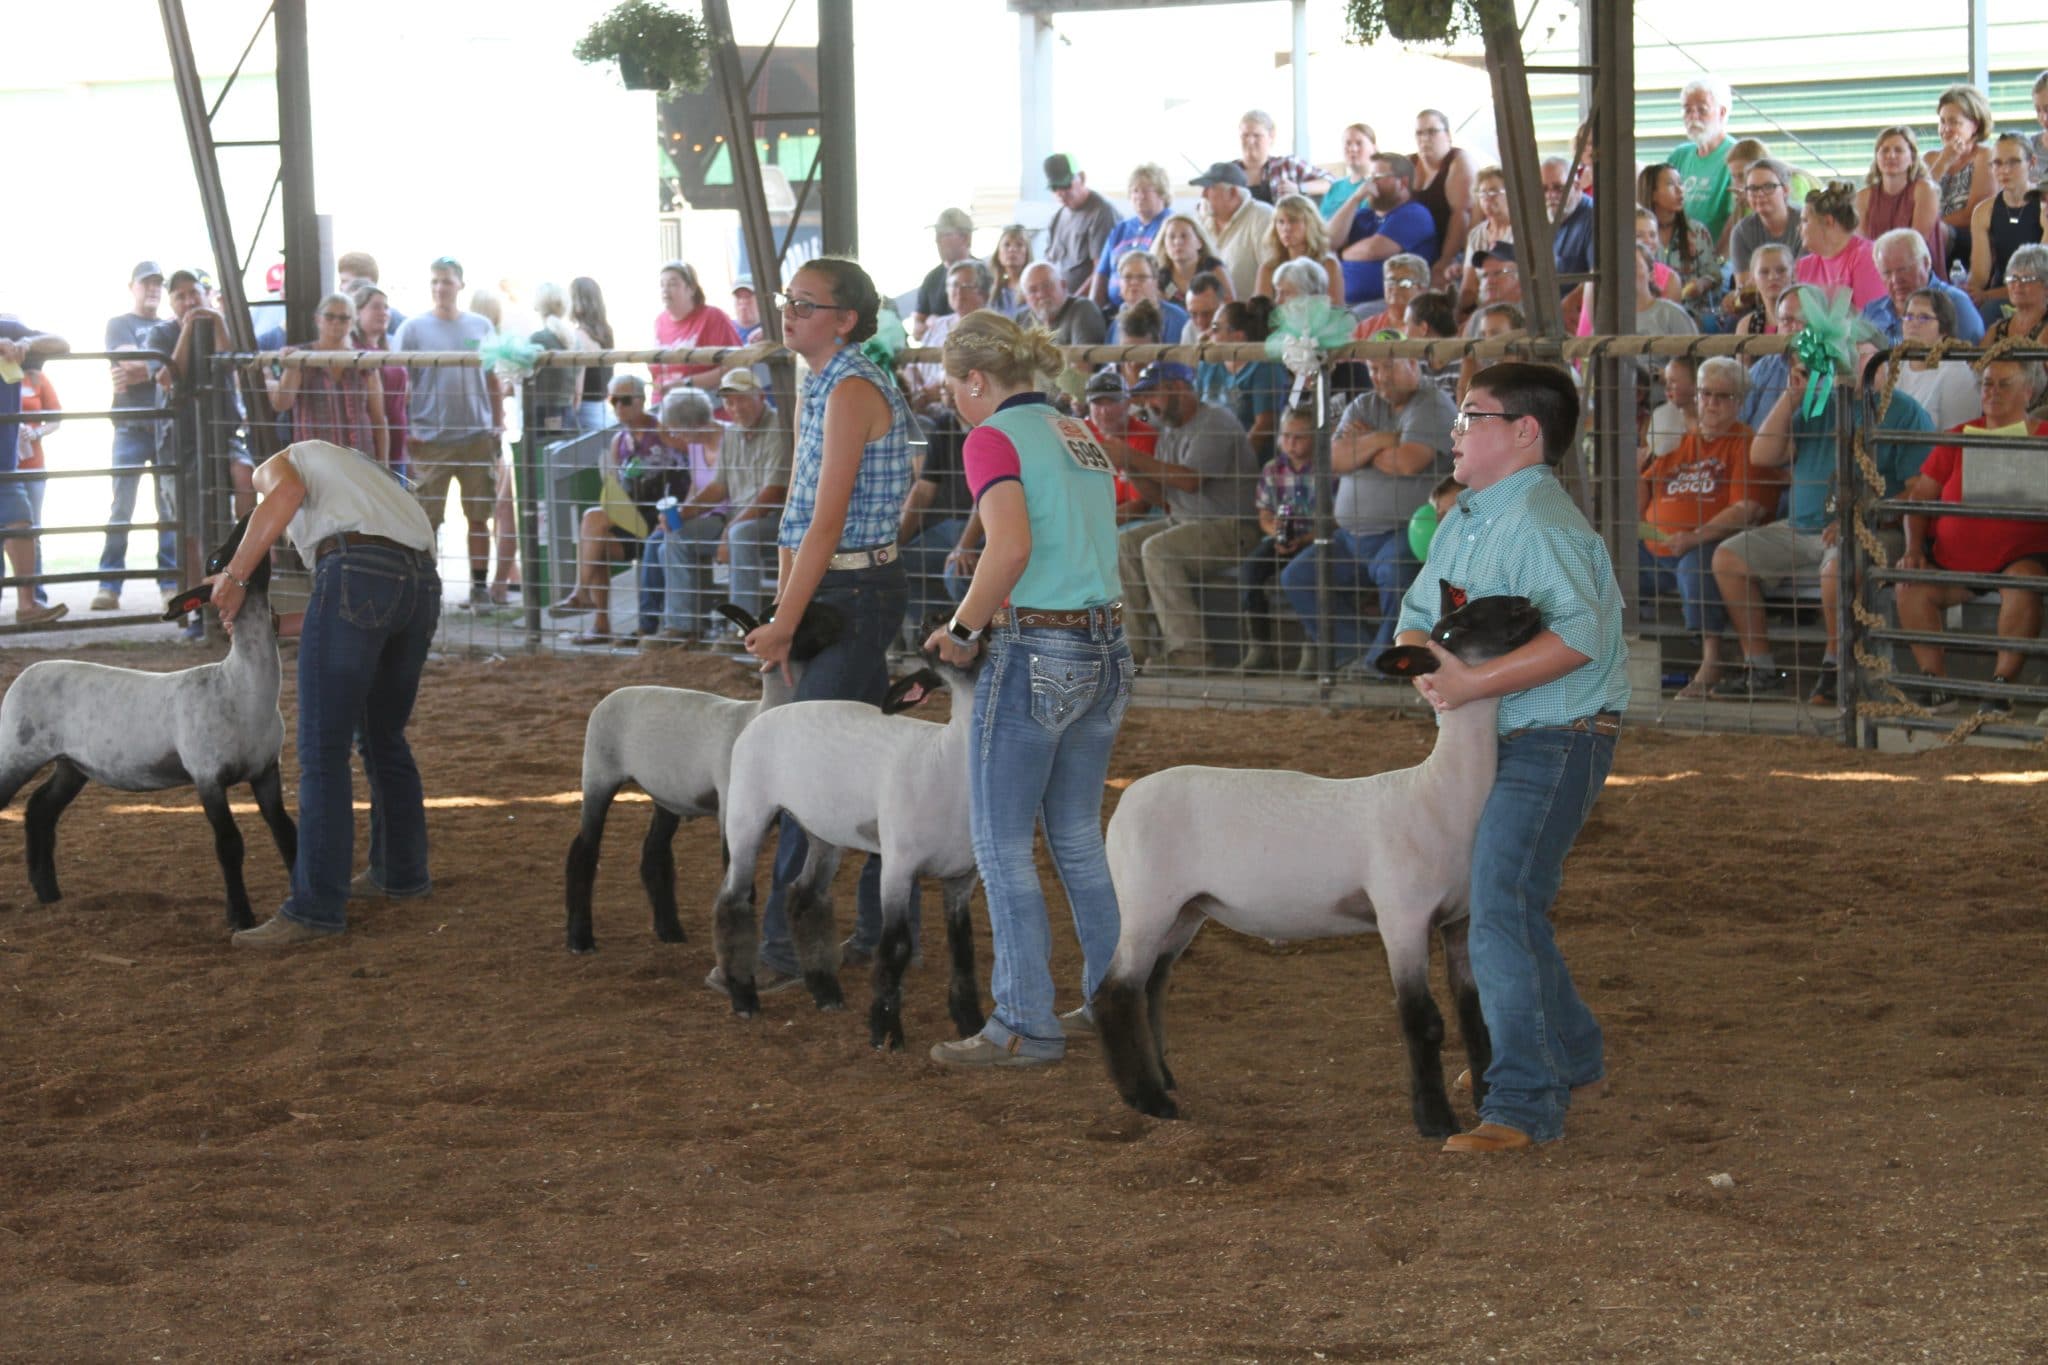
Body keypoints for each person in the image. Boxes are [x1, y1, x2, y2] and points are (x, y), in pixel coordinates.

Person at [1396, 362, 1630, 1154]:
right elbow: (1416, 614)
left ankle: (1523, 1105)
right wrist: (1427, 665)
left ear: (1524, 431)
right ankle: (1571, 1057)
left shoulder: (1540, 520)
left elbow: (1580, 639)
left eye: (1470, 416)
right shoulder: (1469, 515)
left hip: (1559, 733)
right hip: (1506, 736)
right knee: (1507, 898)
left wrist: (1465, 681)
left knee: (1498, 898)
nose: (1454, 430)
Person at [923, 310, 1130, 1069]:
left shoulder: (990, 438)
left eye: (953, 386)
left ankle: (1022, 1022)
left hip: (1036, 645)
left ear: (976, 379)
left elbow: (1011, 544)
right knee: (1076, 835)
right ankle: (1115, 998)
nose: (954, 401)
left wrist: (964, 629)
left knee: (1001, 842)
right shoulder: (1076, 431)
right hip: (1105, 644)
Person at [728, 257, 917, 985]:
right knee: (858, 765)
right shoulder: (827, 383)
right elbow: (799, 515)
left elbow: (825, 519)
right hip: (842, 594)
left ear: (845, 319)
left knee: (811, 771)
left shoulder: (849, 388)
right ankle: (880, 928)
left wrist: (785, 622)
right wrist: (786, 619)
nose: (791, 313)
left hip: (855, 591)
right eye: (788, 300)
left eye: (807, 304)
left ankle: (780, 950)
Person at [210, 439, 438, 946]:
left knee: (322, 750)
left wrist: (234, 576)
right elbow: (360, 603)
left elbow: (285, 494)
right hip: (421, 584)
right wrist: (267, 622)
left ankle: (315, 908)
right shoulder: (361, 476)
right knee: (384, 738)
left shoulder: (278, 464)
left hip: (359, 574)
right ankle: (401, 873)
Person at [1710, 286, 1936, 699]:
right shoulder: (1820, 403)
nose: (1857, 361)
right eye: (1853, 352)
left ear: (1885, 361)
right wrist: (1791, 398)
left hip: (1867, 530)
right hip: (1799, 527)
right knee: (1728, 557)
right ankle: (1759, 666)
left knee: (1835, 567)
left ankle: (1835, 666)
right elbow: (1763, 454)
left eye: (1866, 353)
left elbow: (1918, 490)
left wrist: (1858, 516)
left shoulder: (1904, 411)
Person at [1282, 355, 1455, 670]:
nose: (1380, 376)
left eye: (1389, 366)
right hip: (1350, 537)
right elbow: (1331, 460)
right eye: (1374, 368)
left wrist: (1360, 446)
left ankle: (1381, 664)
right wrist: (1382, 439)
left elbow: (1407, 462)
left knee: (1398, 574)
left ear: (1414, 365)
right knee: (1298, 576)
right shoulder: (1363, 404)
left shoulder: (1433, 404)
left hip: (1402, 533)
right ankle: (1358, 653)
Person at [1894, 360, 2048, 716]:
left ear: (2029, 391)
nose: (1992, 392)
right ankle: (1936, 683)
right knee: (1909, 583)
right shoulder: (1957, 435)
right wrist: (1913, 548)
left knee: (2025, 583)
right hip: (1953, 559)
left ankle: (2001, 686)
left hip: (2020, 558)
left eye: (2004, 385)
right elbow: (1919, 498)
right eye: (1987, 384)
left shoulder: (2043, 438)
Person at [1638, 357, 1779, 697]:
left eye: (1723, 396)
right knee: (1606, 562)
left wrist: (1694, 536)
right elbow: (1644, 484)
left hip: (1707, 543)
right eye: (1705, 394)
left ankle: (1711, 659)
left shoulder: (1745, 443)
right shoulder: (1678, 441)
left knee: (1698, 566)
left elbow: (1746, 508)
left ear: (1741, 402)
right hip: (1658, 546)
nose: (1712, 403)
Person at [1115, 361, 1257, 670]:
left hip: (1232, 528)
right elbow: (1162, 498)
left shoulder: (1215, 420)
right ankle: (1130, 650)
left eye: (1155, 394)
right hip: (1184, 522)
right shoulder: (1169, 430)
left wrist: (1131, 456)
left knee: (1158, 550)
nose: (1150, 404)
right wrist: (1132, 467)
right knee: (1123, 543)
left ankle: (1190, 651)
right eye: (1147, 396)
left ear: (1179, 387)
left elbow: (1190, 480)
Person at [396, 256, 503, 607]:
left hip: (475, 436)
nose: (440, 287)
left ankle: (479, 587)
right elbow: (400, 382)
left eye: (447, 280)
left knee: (478, 515)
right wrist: (407, 426)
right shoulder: (413, 329)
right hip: (431, 438)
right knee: (428, 520)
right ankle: (427, 589)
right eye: (435, 281)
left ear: (460, 285)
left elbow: (492, 378)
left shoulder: (481, 326)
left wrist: (497, 423)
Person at [548, 374, 682, 646]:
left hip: (663, 517)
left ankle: (582, 594)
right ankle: (600, 621)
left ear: (641, 401)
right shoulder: (618, 441)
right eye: (614, 401)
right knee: (595, 536)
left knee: (593, 522)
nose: (619, 407)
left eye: (625, 400)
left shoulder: (664, 432)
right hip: (634, 519)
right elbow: (620, 488)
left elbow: (686, 475)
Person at [662, 368, 789, 642]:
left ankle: (741, 628)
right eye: (729, 402)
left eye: (742, 399)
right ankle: (684, 625)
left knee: (739, 535)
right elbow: (719, 487)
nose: (735, 407)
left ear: (760, 396)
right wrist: (685, 511)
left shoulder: (778, 427)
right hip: (739, 517)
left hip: (776, 520)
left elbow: (773, 494)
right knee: (676, 534)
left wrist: (728, 530)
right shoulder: (731, 434)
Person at [94, 261, 177, 613]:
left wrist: (155, 368)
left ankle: (170, 583)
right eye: (147, 283)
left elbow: (153, 368)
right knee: (121, 507)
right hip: (130, 427)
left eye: (159, 284)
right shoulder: (120, 324)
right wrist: (164, 366)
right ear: (133, 287)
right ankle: (109, 585)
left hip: (164, 428)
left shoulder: (169, 326)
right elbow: (130, 365)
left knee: (169, 507)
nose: (154, 289)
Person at [1237, 403, 1319, 673]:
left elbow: (1335, 520)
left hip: (1316, 539)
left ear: (1315, 438)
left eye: (1299, 437)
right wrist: (1278, 535)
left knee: (1310, 574)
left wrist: (1305, 538)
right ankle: (1259, 647)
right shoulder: (1273, 469)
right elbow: (1264, 515)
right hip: (1280, 537)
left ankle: (1313, 645)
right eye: (1286, 436)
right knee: (1250, 571)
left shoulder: (1327, 468)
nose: (1291, 443)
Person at [267, 292, 389, 465]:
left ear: (352, 323)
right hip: (315, 462)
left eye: (343, 318)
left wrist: (384, 466)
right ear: (318, 319)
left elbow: (378, 420)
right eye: (330, 316)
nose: (336, 323)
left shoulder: (364, 362)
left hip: (359, 459)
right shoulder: (300, 357)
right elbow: (282, 404)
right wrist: (290, 367)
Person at [0, 317, 68, 626]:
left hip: (7, 461)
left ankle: (27, 605)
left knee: (21, 523)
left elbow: (61, 343)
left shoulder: (8, 327)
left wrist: (24, 345)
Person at [1335, 154, 1438, 314]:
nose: (1370, 183)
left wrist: (1343, 252)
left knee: (1341, 325)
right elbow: (1328, 241)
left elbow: (1374, 249)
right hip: (1342, 302)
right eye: (1370, 177)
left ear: (1403, 182)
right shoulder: (1364, 215)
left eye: (1378, 177)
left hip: (1390, 303)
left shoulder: (1415, 214)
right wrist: (1355, 199)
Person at [1964, 134, 2045, 327]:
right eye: (1998, 163)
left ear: (2031, 163)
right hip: (2002, 292)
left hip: (2038, 291)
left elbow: (2041, 274)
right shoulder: (1984, 212)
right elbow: (1979, 276)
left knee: (1990, 308)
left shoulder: (2044, 206)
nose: (2005, 170)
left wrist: (1987, 295)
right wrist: (1970, 294)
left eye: (2014, 162)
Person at [1861, 227, 1985, 345]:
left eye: (1903, 269)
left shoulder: (1954, 302)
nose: (1895, 280)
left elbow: (1970, 359)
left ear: (1926, 263)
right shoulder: (1872, 310)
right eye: (1887, 273)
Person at [1196, 298, 1288, 458]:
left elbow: (1264, 425)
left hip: (1246, 461)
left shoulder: (1265, 367)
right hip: (1206, 452)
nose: (1209, 333)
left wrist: (1235, 463)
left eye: (1216, 328)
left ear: (1237, 336)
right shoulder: (1208, 364)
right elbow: (1194, 409)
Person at [1890, 288, 1983, 432]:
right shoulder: (1895, 365)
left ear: (1944, 327)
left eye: (1923, 318)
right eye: (1908, 317)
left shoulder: (1956, 372)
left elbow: (1957, 436)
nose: (1913, 323)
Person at [1928, 84, 1996, 276]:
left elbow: (1972, 215)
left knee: (1932, 232)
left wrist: (1927, 225)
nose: (1946, 129)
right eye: (1942, 122)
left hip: (1970, 238)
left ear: (1974, 125)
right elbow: (1913, 202)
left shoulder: (1985, 156)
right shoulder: (1931, 159)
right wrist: (1943, 163)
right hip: (1927, 235)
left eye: (1954, 122)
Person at [650, 260, 742, 400]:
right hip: (664, 409)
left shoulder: (713, 317)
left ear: (691, 288)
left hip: (705, 407)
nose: (665, 289)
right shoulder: (659, 321)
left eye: (672, 284)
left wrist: (687, 384)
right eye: (662, 284)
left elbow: (736, 365)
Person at [1855, 126, 1941, 271]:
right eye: (1885, 150)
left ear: (1912, 158)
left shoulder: (1925, 190)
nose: (1891, 156)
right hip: (1876, 269)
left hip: (1915, 270)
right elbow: (1863, 246)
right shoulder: (1863, 197)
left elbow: (1915, 245)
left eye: (1898, 150)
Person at [1091, 164, 1173, 311]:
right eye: (1135, 191)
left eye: (1146, 191)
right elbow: (1102, 274)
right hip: (1115, 309)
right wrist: (1092, 311)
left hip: (1154, 309)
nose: (1139, 196)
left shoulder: (1171, 226)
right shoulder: (1121, 229)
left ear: (1162, 193)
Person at [348, 281, 411, 471]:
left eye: (386, 307)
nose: (383, 312)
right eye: (376, 307)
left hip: (397, 448)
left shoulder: (388, 350)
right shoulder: (354, 351)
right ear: (357, 312)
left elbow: (402, 402)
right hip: (370, 450)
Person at [1794, 182, 1886, 311]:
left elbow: (1868, 321)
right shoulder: (1803, 266)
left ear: (1828, 221)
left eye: (1805, 221)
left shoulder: (1866, 256)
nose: (1799, 228)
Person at [1191, 162, 1275, 303]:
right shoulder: (1202, 220)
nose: (1203, 194)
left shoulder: (1262, 216)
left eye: (1210, 188)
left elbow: (1271, 272)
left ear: (1233, 193)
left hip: (1248, 317)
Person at [1670, 76, 1738, 247]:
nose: (1693, 116)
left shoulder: (1736, 156)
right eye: (1687, 110)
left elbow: (1736, 218)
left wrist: (1716, 262)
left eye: (1702, 110)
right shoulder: (1679, 156)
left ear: (1722, 112)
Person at [1411, 108, 1475, 288]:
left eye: (1432, 132)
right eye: (1419, 133)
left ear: (1447, 135)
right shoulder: (1410, 164)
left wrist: (1445, 260)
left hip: (1450, 256)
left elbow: (1461, 215)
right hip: (1415, 255)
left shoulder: (1459, 162)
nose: (1425, 138)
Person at [1043, 154, 1118, 296]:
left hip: (1084, 306)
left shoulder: (1101, 213)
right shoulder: (1056, 218)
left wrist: (1073, 304)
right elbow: (1049, 264)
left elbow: (1101, 271)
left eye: (1065, 185)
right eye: (1054, 187)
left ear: (1082, 178)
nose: (1061, 192)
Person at [1254, 193, 1345, 305]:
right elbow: (1261, 314)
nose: (1286, 228)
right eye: (1281, 222)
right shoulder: (1268, 268)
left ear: (1309, 223)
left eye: (1293, 221)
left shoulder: (1328, 264)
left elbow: (1336, 312)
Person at [1455, 165, 1514, 321]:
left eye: (1494, 191)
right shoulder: (1476, 234)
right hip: (1481, 311)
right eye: (1482, 193)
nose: (1487, 197)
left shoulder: (1522, 231)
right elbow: (1469, 288)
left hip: (1511, 308)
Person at [1235, 109, 1325, 205]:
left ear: (1271, 136)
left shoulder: (1288, 165)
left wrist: (1299, 188)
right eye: (1245, 135)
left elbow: (1330, 182)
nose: (1250, 141)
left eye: (1257, 136)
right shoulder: (1229, 172)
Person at [913, 208, 976, 341]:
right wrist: (928, 325)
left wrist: (938, 323)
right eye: (937, 234)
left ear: (965, 237)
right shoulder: (931, 279)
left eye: (943, 234)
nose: (937, 240)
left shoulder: (983, 276)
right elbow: (917, 331)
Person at [1104, 253, 1189, 344]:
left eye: (1142, 277)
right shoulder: (1116, 323)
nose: (1134, 282)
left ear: (1155, 282)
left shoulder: (1176, 318)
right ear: (1120, 284)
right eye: (1127, 277)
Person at [1153, 213, 1232, 308]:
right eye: (1172, 237)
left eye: (1184, 236)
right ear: (1164, 245)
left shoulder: (1213, 269)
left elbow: (1230, 306)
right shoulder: (1162, 277)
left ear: (1199, 242)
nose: (1177, 242)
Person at [1017, 262, 1106, 345]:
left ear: (1063, 285)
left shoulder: (1083, 310)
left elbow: (1081, 361)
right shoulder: (1022, 319)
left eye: (1047, 285)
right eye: (1033, 290)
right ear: (1026, 298)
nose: (1041, 294)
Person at [569, 276, 616, 433]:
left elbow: (578, 391)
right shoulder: (606, 334)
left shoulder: (579, 336)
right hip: (604, 411)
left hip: (586, 415)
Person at [1985, 243, 2048, 348]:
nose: (2017, 285)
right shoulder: (1995, 330)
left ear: (2046, 286)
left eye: (2027, 279)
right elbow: (1977, 363)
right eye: (2013, 278)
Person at [1732, 242, 1798, 339]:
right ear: (1753, 279)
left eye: (1781, 270)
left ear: (1793, 275)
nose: (1773, 277)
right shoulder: (1746, 326)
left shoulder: (1805, 321)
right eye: (1764, 272)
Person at [1319, 123, 1379, 220]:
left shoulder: (1377, 185)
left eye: (1359, 143)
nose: (1353, 149)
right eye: (1348, 143)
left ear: (1374, 148)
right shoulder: (1335, 187)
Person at [988, 225, 1035, 317]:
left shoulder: (1033, 287)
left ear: (1027, 253)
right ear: (998, 254)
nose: (1012, 249)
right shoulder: (995, 290)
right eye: (1007, 245)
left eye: (1019, 245)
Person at [730, 277, 764, 344]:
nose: (743, 301)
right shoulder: (727, 328)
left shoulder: (770, 328)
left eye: (748, 296)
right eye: (738, 297)